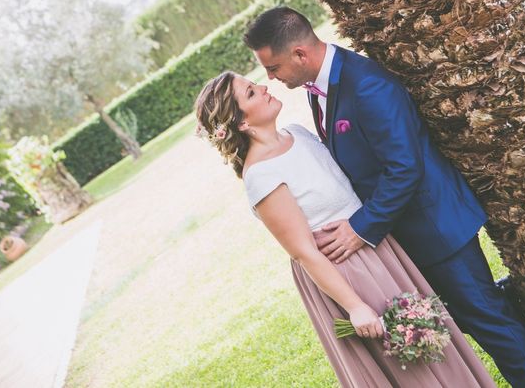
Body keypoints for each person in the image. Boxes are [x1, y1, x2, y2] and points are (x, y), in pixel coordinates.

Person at [241, 6, 525, 388]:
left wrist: (361, 228)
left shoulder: (366, 84)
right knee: (469, 317)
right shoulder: (317, 88)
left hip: (435, 228)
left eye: (273, 67)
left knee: (490, 322)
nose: (270, 78)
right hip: (403, 235)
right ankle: (504, 298)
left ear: (300, 55)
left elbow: (405, 168)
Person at [195, 72, 496, 387]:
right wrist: (355, 306)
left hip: (379, 251)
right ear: (241, 123)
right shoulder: (261, 175)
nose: (263, 87)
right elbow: (303, 252)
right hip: (347, 272)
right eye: (251, 92)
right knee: (414, 367)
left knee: (434, 346)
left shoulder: (297, 133)